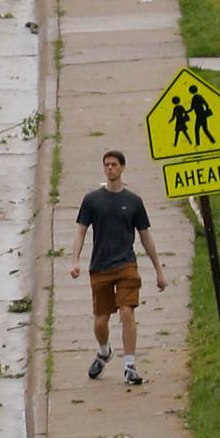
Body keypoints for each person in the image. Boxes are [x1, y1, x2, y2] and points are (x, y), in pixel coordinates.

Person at [69, 150, 168, 386]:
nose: (110, 168)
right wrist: (75, 260)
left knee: (127, 312)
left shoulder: (134, 202)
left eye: (114, 164)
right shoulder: (92, 200)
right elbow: (81, 232)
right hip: (100, 266)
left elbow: (145, 237)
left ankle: (130, 365)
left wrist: (159, 271)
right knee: (101, 320)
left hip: (126, 265)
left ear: (122, 167)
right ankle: (104, 351)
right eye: (106, 165)